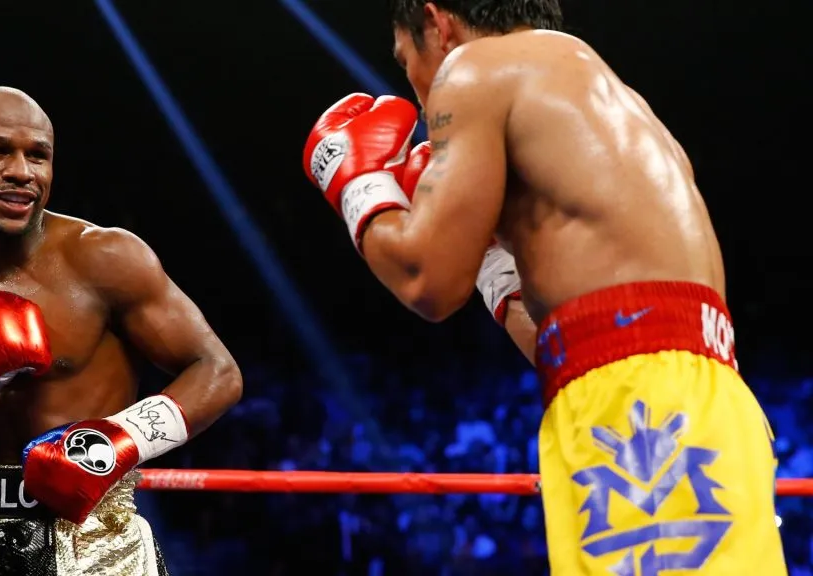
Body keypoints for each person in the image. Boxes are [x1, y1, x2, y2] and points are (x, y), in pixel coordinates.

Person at [300, 1, 786, 574]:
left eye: (406, 58)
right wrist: (489, 261)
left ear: (436, 23)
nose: (414, 84)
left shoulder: (474, 68)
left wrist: (360, 185)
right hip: (681, 400)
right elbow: (591, 338)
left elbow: (427, 281)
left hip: (640, 416)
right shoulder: (614, 98)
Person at [0, 86, 243, 576]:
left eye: (38, 155)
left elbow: (218, 371)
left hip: (94, 541)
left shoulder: (103, 258)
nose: (22, 171)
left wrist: (114, 441)